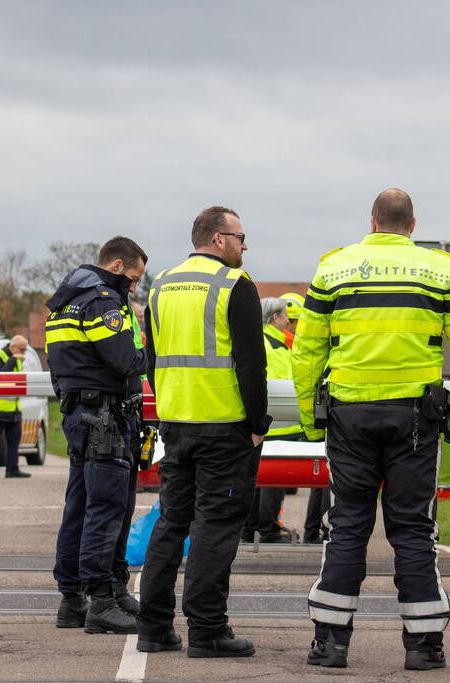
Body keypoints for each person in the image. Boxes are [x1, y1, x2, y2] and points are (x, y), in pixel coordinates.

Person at [292, 188, 450, 671]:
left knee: (348, 525)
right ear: (413, 225)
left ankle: (331, 643)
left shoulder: (334, 268)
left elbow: (306, 351)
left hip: (350, 414)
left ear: (372, 221)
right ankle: (423, 646)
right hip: (416, 419)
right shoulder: (442, 270)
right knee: (413, 528)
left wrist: (307, 416)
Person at [137, 206, 270, 658]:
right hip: (225, 426)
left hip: (176, 423)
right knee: (215, 527)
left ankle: (153, 627)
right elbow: (253, 364)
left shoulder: (161, 285)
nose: (244, 245)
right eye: (240, 236)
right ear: (218, 239)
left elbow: (152, 359)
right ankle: (208, 630)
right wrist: (257, 425)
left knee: (172, 522)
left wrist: (172, 405)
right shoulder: (236, 285)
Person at [46, 236, 149, 635]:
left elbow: (59, 369)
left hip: (81, 413)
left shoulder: (64, 300)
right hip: (106, 417)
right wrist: (153, 350)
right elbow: (125, 361)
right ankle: (101, 601)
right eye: (135, 278)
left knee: (81, 507)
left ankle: (73, 600)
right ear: (119, 265)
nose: (135, 287)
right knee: (108, 509)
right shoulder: (102, 301)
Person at [241, 297, 303, 544]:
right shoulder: (271, 344)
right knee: (275, 478)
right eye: (285, 316)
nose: (288, 321)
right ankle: (267, 529)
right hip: (279, 421)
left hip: (274, 419)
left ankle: (250, 528)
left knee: (259, 477)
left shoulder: (271, 341)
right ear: (275, 318)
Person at [0, 335, 32, 479]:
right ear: (13, 346)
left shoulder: (17, 359)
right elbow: (1, 375)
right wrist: (14, 358)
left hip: (13, 409)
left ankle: (12, 470)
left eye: (25, 350)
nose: (23, 353)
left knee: (14, 443)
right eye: (21, 349)